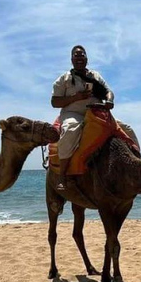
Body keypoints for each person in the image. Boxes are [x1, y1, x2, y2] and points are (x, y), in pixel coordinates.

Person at [51, 45, 114, 191]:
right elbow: (55, 102)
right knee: (70, 129)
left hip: (96, 112)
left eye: (82, 55)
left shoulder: (95, 76)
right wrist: (76, 97)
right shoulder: (64, 79)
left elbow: (108, 91)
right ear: (72, 59)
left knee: (125, 129)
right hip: (73, 113)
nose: (79, 57)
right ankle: (63, 175)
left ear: (87, 58)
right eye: (76, 55)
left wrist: (109, 101)